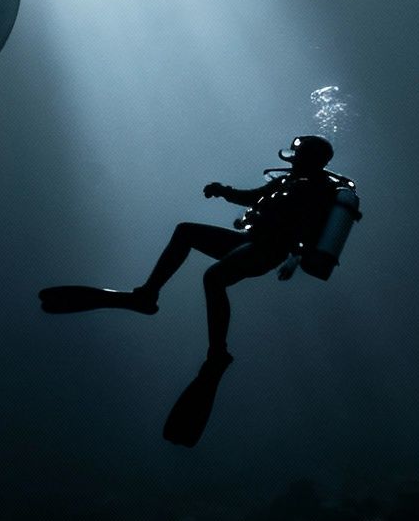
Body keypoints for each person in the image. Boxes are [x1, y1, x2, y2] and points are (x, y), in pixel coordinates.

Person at [39, 135, 358, 368]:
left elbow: (306, 228)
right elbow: (254, 198)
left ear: (312, 158)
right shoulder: (288, 181)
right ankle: (146, 295)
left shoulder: (317, 190)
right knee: (186, 232)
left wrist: (294, 257)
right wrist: (223, 192)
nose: (293, 157)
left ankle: (218, 352)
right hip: (249, 242)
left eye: (300, 153)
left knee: (214, 278)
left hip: (270, 250)